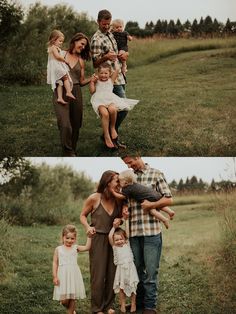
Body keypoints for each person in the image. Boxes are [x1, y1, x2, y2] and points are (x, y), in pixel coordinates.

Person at [121, 156, 173, 314]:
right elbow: (126, 198)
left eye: (131, 162)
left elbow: (169, 199)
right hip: (134, 233)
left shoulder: (156, 174)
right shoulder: (128, 177)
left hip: (151, 232)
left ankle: (150, 306)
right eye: (126, 164)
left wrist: (152, 205)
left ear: (138, 156)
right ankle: (140, 303)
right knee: (136, 270)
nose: (130, 166)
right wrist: (124, 206)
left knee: (151, 272)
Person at [80, 170, 124, 314]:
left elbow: (122, 217)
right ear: (107, 181)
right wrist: (87, 227)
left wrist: (121, 220)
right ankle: (97, 308)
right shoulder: (94, 198)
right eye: (116, 180)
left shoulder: (119, 199)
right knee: (98, 275)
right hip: (98, 239)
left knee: (113, 273)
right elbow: (82, 215)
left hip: (114, 240)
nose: (119, 183)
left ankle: (109, 305)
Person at [90, 9, 129, 148]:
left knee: (120, 108)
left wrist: (122, 55)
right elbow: (95, 63)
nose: (106, 26)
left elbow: (116, 52)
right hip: (109, 80)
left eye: (108, 24)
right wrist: (106, 57)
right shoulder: (96, 39)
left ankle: (112, 138)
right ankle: (109, 135)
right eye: (104, 24)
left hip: (119, 76)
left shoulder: (110, 35)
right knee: (124, 108)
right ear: (98, 21)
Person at [52, 32, 93, 157]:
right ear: (75, 41)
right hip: (61, 91)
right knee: (65, 124)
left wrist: (92, 78)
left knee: (76, 123)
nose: (83, 46)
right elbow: (53, 71)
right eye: (82, 43)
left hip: (75, 91)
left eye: (85, 45)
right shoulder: (61, 54)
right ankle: (67, 151)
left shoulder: (81, 61)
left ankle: (72, 150)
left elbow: (81, 81)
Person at [90, 62, 138, 149]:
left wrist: (115, 61)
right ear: (98, 73)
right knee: (105, 114)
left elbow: (117, 69)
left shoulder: (111, 80)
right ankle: (106, 136)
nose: (103, 75)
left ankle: (112, 128)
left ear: (110, 73)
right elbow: (92, 92)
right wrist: (92, 83)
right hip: (99, 102)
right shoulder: (97, 81)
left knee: (113, 109)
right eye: (101, 73)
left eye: (106, 73)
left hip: (110, 100)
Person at [52, 224, 91, 314]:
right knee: (65, 300)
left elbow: (87, 247)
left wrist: (89, 237)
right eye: (67, 238)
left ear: (75, 239)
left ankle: (71, 312)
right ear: (63, 237)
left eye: (72, 238)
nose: (70, 241)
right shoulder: (58, 249)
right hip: (63, 276)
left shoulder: (75, 248)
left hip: (73, 275)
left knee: (72, 297)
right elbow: (55, 263)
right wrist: (55, 276)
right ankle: (65, 303)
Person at [108, 222, 139, 313]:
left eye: (121, 239)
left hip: (130, 268)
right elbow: (110, 237)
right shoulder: (114, 247)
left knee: (132, 286)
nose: (119, 241)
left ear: (125, 239)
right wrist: (113, 227)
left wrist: (126, 221)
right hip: (121, 270)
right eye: (116, 240)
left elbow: (127, 232)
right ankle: (122, 304)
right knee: (122, 288)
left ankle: (133, 303)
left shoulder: (127, 244)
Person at [47, 30, 75, 105]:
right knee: (65, 77)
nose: (61, 43)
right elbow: (57, 56)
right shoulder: (53, 47)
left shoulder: (54, 48)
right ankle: (68, 92)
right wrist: (65, 60)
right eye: (60, 41)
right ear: (53, 40)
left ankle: (59, 98)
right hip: (56, 66)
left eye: (62, 41)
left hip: (55, 67)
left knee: (60, 82)